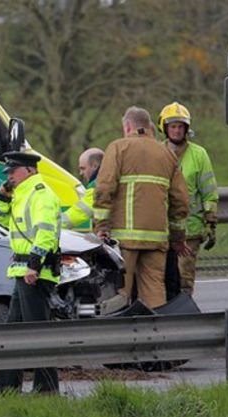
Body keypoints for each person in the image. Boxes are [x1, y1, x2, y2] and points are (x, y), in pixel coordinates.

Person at [93, 106, 190, 309]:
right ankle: (158, 336)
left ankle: (123, 337)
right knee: (155, 291)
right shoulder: (167, 153)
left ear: (128, 126)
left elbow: (103, 189)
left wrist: (100, 227)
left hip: (124, 239)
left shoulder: (118, 148)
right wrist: (177, 237)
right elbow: (180, 201)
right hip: (157, 238)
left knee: (121, 294)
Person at [0, 151, 61, 394]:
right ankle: (8, 386)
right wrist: (4, 199)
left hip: (35, 273)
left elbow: (46, 233)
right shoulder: (22, 194)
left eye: (13, 171)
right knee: (13, 330)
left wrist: (34, 265)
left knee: (37, 333)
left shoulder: (41, 194)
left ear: (29, 170)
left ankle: (46, 390)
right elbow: (3, 222)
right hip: (22, 270)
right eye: (7, 173)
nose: (9, 177)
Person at [158, 102, 218, 295]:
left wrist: (211, 221)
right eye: (173, 126)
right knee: (161, 278)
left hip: (190, 228)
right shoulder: (156, 152)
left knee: (184, 278)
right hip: (161, 228)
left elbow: (209, 190)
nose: (176, 131)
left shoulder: (199, 154)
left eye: (180, 126)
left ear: (186, 129)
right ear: (165, 128)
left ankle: (185, 317)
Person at [61, 147, 104, 232]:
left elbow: (80, 212)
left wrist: (53, 225)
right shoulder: (110, 178)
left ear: (95, 166)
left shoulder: (97, 185)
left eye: (83, 168)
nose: (81, 173)